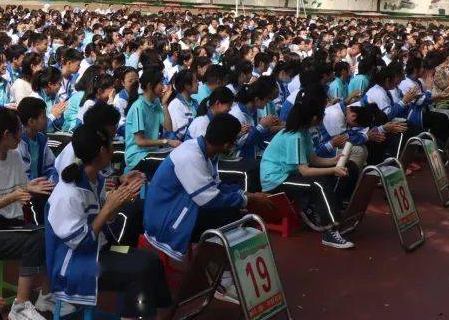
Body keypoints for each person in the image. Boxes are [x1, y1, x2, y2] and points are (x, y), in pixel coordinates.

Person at [143, 114, 273, 303]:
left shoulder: (205, 151)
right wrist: (247, 199)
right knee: (228, 220)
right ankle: (221, 280)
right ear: (227, 144)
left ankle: (222, 269)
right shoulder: (191, 155)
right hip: (166, 218)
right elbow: (208, 199)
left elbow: (215, 187)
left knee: (234, 213)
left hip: (182, 206)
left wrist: (246, 197)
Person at [45, 125, 170, 319]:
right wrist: (107, 209)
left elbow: (108, 218)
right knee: (139, 270)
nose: (114, 148)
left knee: (151, 260)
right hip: (76, 264)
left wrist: (120, 197)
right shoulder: (68, 193)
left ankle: (150, 315)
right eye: (111, 145)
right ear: (102, 151)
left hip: (98, 250)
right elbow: (79, 243)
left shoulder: (94, 179)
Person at [0, 108, 64, 320]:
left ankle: (45, 294)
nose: (22, 133)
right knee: (36, 239)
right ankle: (20, 306)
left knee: (54, 233)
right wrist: (14, 196)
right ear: (6, 135)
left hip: (9, 224)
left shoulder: (14, 156)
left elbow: (20, 185)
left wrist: (30, 187)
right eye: (19, 130)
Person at [260, 90, 358, 250]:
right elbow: (305, 171)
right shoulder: (295, 136)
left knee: (350, 167)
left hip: (290, 173)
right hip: (276, 180)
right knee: (319, 184)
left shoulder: (303, 131)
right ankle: (330, 230)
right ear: (313, 118)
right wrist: (333, 169)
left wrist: (334, 161)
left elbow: (313, 159)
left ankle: (334, 211)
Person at [124, 67, 179, 178]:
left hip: (151, 152)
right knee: (172, 163)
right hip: (137, 156)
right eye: (160, 83)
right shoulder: (139, 107)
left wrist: (164, 105)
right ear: (150, 86)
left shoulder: (156, 101)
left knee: (178, 155)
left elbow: (168, 128)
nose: (163, 86)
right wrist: (166, 141)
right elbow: (139, 141)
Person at [17, 98, 57, 224]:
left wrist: (50, 181)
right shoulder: (19, 142)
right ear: (31, 121)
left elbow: (50, 165)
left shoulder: (41, 139)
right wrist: (32, 186)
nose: (46, 120)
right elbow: (22, 173)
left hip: (39, 187)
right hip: (24, 191)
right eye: (43, 117)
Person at [165, 69, 198, 141]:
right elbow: (180, 133)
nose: (198, 83)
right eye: (195, 81)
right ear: (187, 86)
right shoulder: (176, 105)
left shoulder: (195, 102)